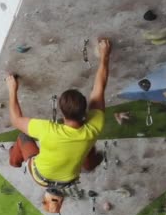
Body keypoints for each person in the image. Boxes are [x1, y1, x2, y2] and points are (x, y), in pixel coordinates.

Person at [6, 38, 112, 188]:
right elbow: (100, 87)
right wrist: (104, 56)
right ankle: (89, 163)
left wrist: (12, 90)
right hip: (67, 180)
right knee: (87, 146)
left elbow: (16, 120)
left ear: (62, 112)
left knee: (23, 136)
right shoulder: (94, 126)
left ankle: (14, 161)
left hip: (40, 176)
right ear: (85, 111)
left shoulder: (48, 130)